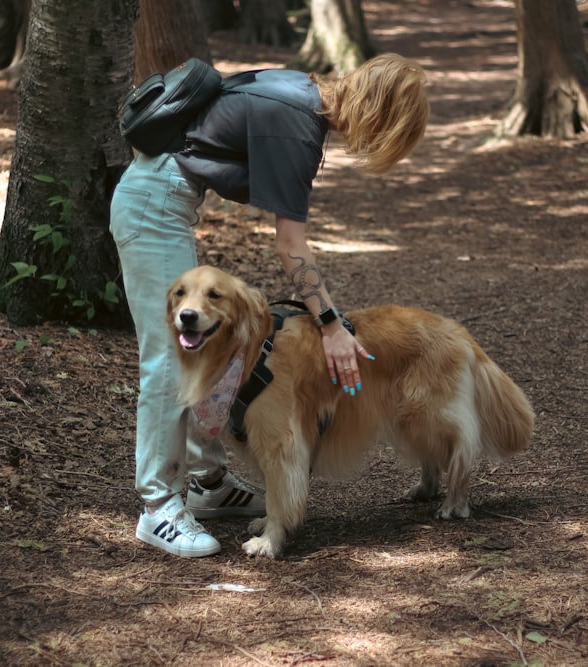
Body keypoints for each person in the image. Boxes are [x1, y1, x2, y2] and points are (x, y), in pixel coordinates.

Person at [109, 53, 430, 557]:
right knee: (169, 358)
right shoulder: (299, 126)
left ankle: (207, 483)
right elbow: (290, 246)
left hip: (165, 196)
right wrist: (331, 324)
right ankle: (157, 507)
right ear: (378, 113)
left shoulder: (300, 92)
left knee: (204, 351)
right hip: (153, 202)